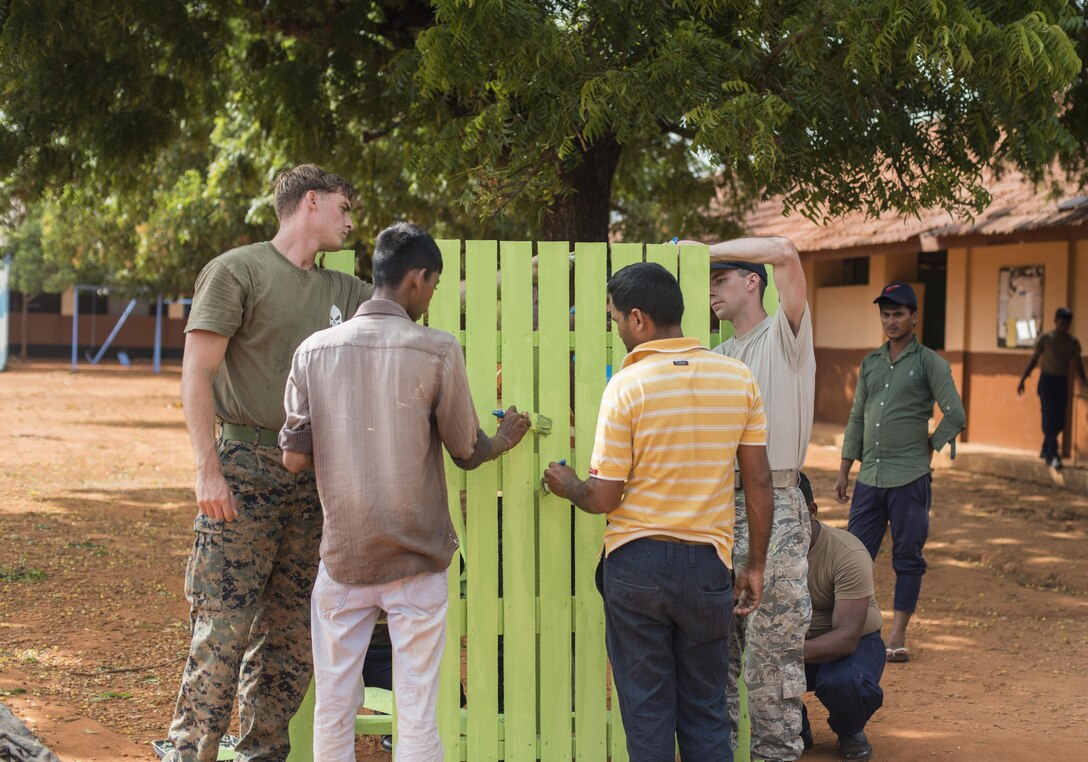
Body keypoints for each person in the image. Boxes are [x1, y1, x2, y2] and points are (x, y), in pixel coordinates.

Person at [279, 221, 530, 760]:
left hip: (344, 556)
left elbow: (294, 458)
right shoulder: (437, 349)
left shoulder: (313, 351)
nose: (432, 296)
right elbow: (466, 451)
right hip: (415, 559)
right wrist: (505, 438)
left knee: (334, 704)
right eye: (435, 285)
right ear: (417, 278)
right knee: (417, 704)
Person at [166, 164, 374, 762]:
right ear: (311, 202)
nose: (350, 219)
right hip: (243, 467)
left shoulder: (346, 292)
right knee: (223, 627)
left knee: (289, 637)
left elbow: (400, 318)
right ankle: (192, 752)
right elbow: (196, 374)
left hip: (311, 483)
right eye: (343, 206)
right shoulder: (238, 271)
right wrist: (208, 471)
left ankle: (264, 754)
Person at [542, 261, 773, 761]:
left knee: (647, 717)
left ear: (639, 319)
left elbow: (604, 497)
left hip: (637, 566)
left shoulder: (628, 385)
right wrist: (754, 564)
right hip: (709, 567)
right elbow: (758, 482)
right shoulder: (737, 379)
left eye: (615, 318)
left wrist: (567, 484)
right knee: (707, 712)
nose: (616, 328)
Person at [691, 235, 815, 761]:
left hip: (779, 505)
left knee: (773, 658)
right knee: (718, 656)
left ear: (751, 282)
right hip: (721, 507)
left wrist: (703, 249)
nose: (712, 292)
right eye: (707, 282)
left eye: (719, 279)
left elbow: (786, 250)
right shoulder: (717, 355)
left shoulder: (785, 336)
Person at [834, 280, 965, 664]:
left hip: (910, 478)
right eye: (885, 314)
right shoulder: (871, 363)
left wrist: (928, 446)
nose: (890, 321)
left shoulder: (930, 363)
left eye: (898, 314)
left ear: (914, 317)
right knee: (854, 555)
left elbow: (955, 414)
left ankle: (897, 632)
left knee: (908, 555)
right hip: (869, 477)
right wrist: (845, 469)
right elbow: (857, 415)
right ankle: (851, 628)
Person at [798, 474, 885, 762]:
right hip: (790, 647)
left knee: (845, 682)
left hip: (850, 647)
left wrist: (780, 654)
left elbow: (847, 636)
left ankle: (849, 728)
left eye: (790, 514)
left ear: (812, 510)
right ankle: (792, 722)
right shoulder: (761, 551)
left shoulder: (847, 552)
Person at [1017, 307, 1086, 470]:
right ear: (1056, 321)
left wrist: (1084, 380)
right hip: (1047, 381)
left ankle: (1045, 447)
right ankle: (1052, 453)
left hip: (1062, 382)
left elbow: (1078, 364)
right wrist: (1023, 379)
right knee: (1049, 417)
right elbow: (1034, 360)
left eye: (1067, 323)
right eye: (1062, 322)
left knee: (1060, 419)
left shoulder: (1072, 343)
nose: (1064, 326)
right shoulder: (1046, 339)